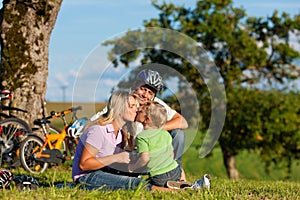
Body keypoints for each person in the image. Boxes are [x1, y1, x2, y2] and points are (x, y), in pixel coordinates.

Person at [91, 69, 188, 181]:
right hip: (127, 153)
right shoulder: (124, 100)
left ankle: (175, 173)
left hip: (148, 153)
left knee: (178, 134)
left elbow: (183, 122)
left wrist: (157, 129)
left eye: (150, 93)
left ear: (154, 96)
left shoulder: (154, 105)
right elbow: (101, 118)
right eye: (143, 89)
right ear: (135, 85)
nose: (145, 95)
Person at [72, 90, 172, 191]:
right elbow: (84, 164)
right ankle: (172, 192)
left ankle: (175, 183)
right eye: (132, 106)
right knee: (134, 183)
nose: (136, 110)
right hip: (86, 176)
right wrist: (116, 158)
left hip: (104, 171)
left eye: (136, 106)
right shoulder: (98, 130)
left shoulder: (120, 133)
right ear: (119, 109)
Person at [128, 101, 210, 189]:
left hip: (158, 177)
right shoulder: (165, 133)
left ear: (147, 119)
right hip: (175, 172)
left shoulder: (142, 137)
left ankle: (179, 185)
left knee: (146, 182)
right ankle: (184, 182)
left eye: (140, 112)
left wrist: (133, 167)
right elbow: (171, 154)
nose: (137, 111)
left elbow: (144, 159)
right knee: (177, 162)